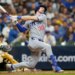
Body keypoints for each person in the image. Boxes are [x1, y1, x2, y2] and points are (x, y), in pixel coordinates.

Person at [6, 5, 63, 72]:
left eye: (44, 9)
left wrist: (16, 17)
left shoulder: (43, 16)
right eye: (41, 8)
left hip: (39, 43)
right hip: (33, 41)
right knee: (48, 46)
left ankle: (12, 67)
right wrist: (16, 23)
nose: (43, 9)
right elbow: (22, 30)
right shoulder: (29, 21)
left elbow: (32, 17)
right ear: (37, 9)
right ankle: (55, 66)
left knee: (31, 65)